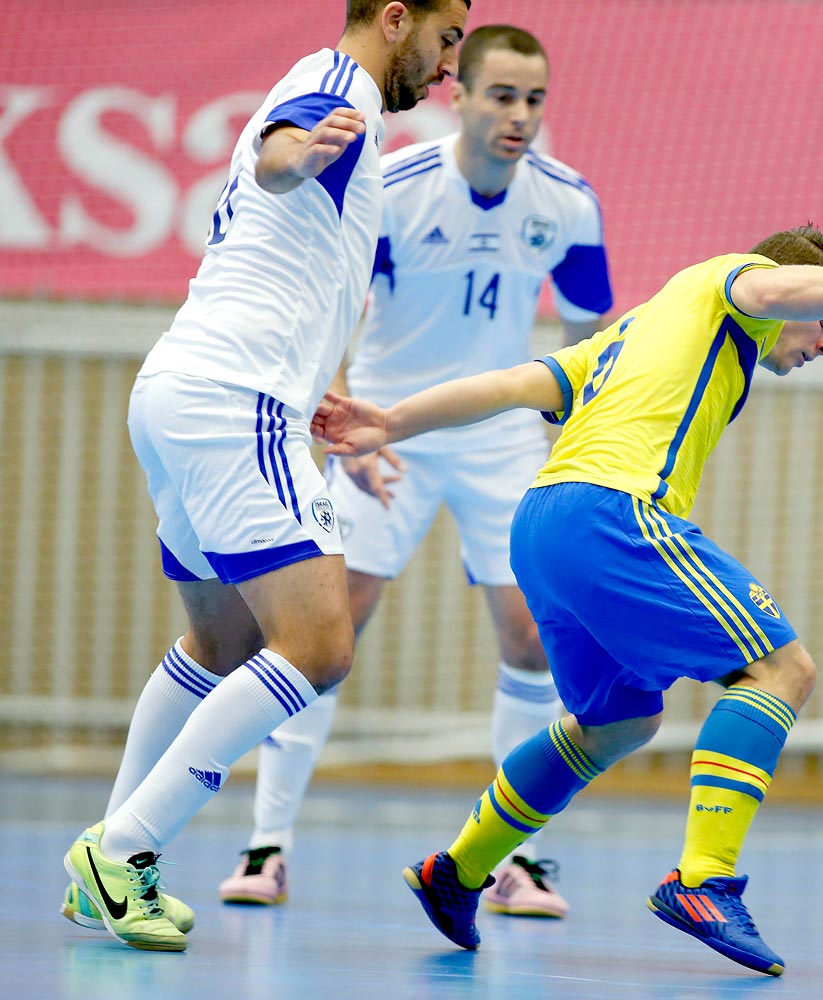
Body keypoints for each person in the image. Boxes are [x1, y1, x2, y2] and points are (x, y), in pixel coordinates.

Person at [311, 227, 823, 975]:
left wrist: (392, 421)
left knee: (618, 723)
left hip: (538, 526)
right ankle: (703, 881)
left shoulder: (633, 331)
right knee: (782, 670)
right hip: (612, 514)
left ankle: (457, 871)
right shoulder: (734, 282)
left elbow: (507, 387)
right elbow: (773, 288)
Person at [59, 0, 471, 953]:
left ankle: (105, 861)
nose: (450, 65)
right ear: (399, 20)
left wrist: (327, 396)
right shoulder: (339, 89)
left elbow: (304, 271)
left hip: (181, 391)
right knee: (319, 647)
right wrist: (300, 154)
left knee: (221, 643)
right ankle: (124, 852)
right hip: (234, 401)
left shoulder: (343, 113)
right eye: (449, 38)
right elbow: (279, 157)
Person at [217, 23, 611, 920]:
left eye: (535, 99)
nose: (519, 115)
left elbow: (592, 332)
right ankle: (266, 845)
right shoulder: (394, 186)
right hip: (385, 430)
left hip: (499, 439)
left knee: (532, 638)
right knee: (323, 638)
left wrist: (572, 440)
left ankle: (520, 862)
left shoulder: (568, 202)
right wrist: (346, 412)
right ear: (460, 94)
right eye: (502, 95)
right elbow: (326, 301)